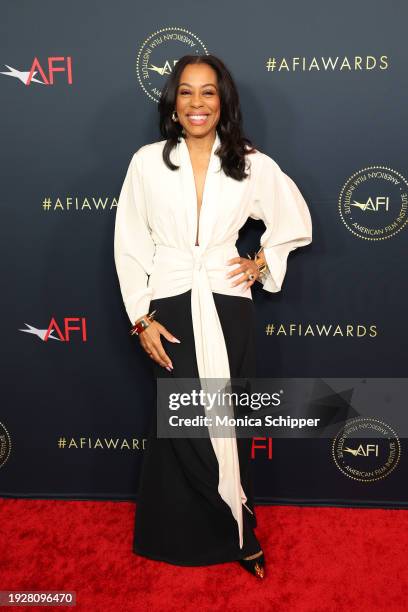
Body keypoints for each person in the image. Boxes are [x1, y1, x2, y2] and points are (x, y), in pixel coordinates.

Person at [114, 54, 312, 579]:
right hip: (171, 300)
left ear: (222, 101)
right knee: (183, 424)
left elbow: (293, 220)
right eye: (186, 92)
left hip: (228, 302)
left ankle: (237, 531)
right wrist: (141, 318)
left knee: (225, 422)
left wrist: (263, 259)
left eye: (207, 92)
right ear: (173, 103)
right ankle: (175, 532)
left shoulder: (248, 162)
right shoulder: (146, 163)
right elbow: (130, 246)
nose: (196, 103)